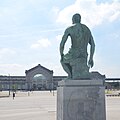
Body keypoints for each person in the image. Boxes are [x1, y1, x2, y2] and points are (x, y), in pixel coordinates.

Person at [60, 13, 95, 79]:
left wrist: (61, 54)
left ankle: (70, 75)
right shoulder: (87, 29)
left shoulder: (70, 28)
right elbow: (93, 45)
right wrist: (91, 58)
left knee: (62, 61)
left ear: (73, 19)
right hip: (84, 54)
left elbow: (62, 44)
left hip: (73, 54)